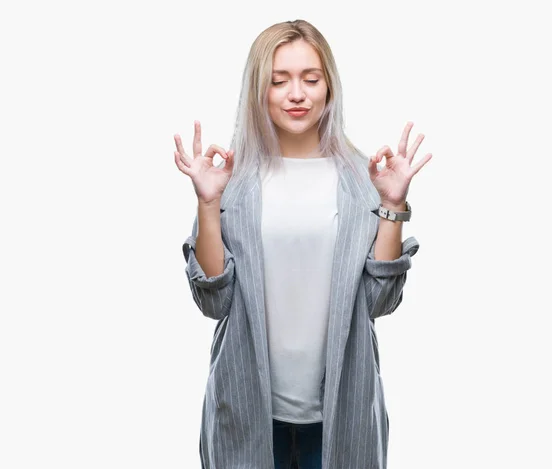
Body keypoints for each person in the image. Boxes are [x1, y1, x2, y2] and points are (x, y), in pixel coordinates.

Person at [173, 19, 432, 469]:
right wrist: (208, 203)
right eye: (280, 81)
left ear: (329, 88)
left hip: (341, 411)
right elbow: (214, 302)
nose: (297, 94)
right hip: (247, 410)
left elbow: (379, 302)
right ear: (260, 90)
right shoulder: (233, 179)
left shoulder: (361, 179)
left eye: (311, 79)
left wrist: (392, 203)